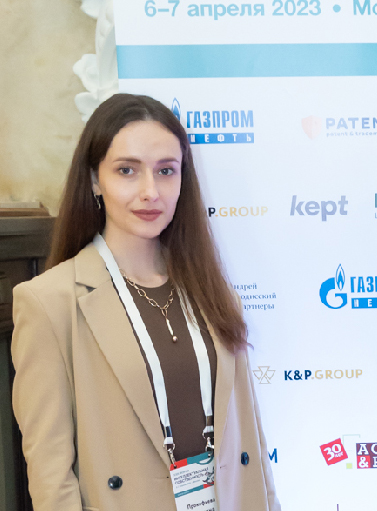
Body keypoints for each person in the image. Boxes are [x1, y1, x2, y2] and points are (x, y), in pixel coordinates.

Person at [12, 93, 280, 510]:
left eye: (166, 171)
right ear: (95, 180)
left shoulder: (213, 290)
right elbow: (50, 473)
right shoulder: (49, 302)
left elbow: (251, 438)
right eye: (127, 170)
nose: (150, 191)